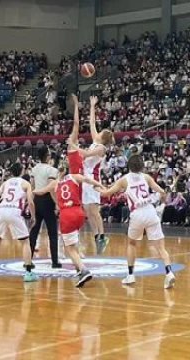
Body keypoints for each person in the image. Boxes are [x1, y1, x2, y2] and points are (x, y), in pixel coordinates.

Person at [98, 154, 176, 289]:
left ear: (129, 165)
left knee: (132, 243)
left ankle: (130, 275)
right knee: (160, 247)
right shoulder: (146, 177)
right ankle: (169, 272)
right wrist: (159, 198)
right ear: (142, 165)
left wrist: (96, 187)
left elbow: (106, 193)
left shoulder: (124, 179)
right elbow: (162, 192)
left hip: (137, 214)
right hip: (150, 211)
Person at [34, 168, 104, 287]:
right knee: (73, 243)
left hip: (66, 215)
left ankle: (83, 270)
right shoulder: (74, 176)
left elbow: (40, 192)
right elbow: (88, 179)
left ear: (59, 173)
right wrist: (99, 184)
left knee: (69, 248)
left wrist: (30, 190)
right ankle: (78, 269)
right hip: (79, 212)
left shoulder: (55, 182)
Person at [0, 162, 37, 282]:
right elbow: (30, 202)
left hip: (2, 210)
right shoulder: (25, 183)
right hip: (14, 211)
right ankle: (28, 273)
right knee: (25, 242)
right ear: (21, 171)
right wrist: (33, 216)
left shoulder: (5, 183)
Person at [81, 96, 114, 255]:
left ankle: (102, 236)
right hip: (85, 179)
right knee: (87, 210)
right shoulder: (96, 140)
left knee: (94, 210)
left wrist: (73, 148)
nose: (98, 131)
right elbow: (92, 123)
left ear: (103, 137)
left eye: (101, 132)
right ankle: (96, 236)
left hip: (93, 181)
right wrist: (92, 105)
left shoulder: (101, 149)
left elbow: (86, 154)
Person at [29, 147, 61, 268]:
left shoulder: (34, 169)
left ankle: (28, 259)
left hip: (36, 199)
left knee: (34, 232)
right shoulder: (52, 170)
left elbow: (32, 186)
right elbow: (51, 188)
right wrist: (57, 203)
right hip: (48, 201)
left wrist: (32, 200)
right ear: (48, 156)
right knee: (52, 233)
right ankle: (55, 261)